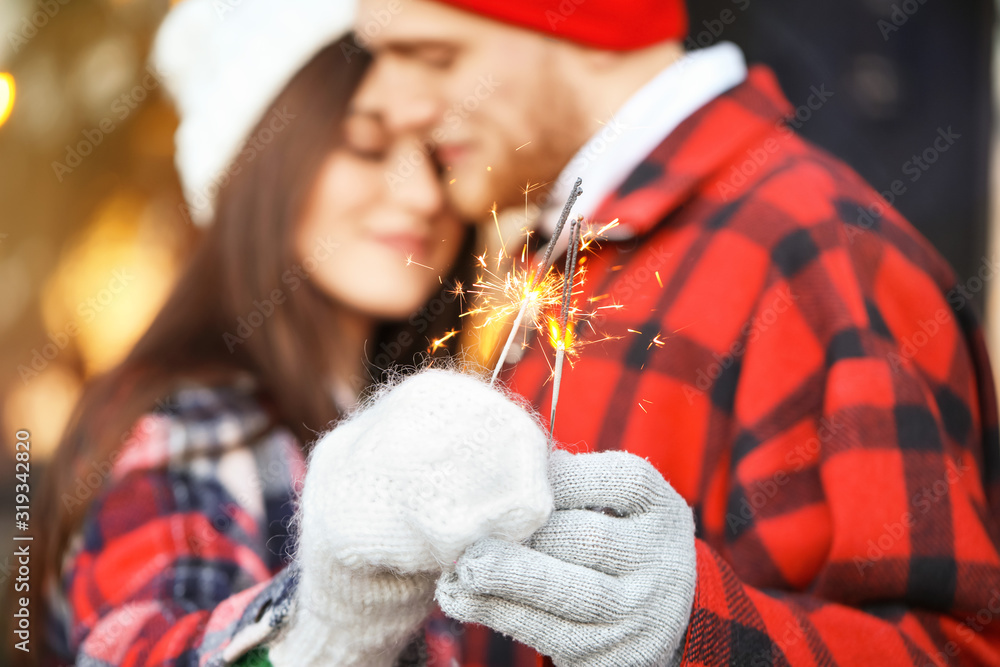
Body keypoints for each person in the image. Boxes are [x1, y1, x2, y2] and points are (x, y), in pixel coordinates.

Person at [340, 0, 1000, 665]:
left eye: (432, 57)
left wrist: (691, 628)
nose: (385, 104)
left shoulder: (819, 250)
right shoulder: (562, 243)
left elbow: (963, 647)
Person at [25, 0, 560, 665]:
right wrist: (322, 630)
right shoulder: (189, 422)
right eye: (367, 145)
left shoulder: (375, 407)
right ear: (262, 164)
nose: (423, 193)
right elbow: (136, 650)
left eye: (437, 152)